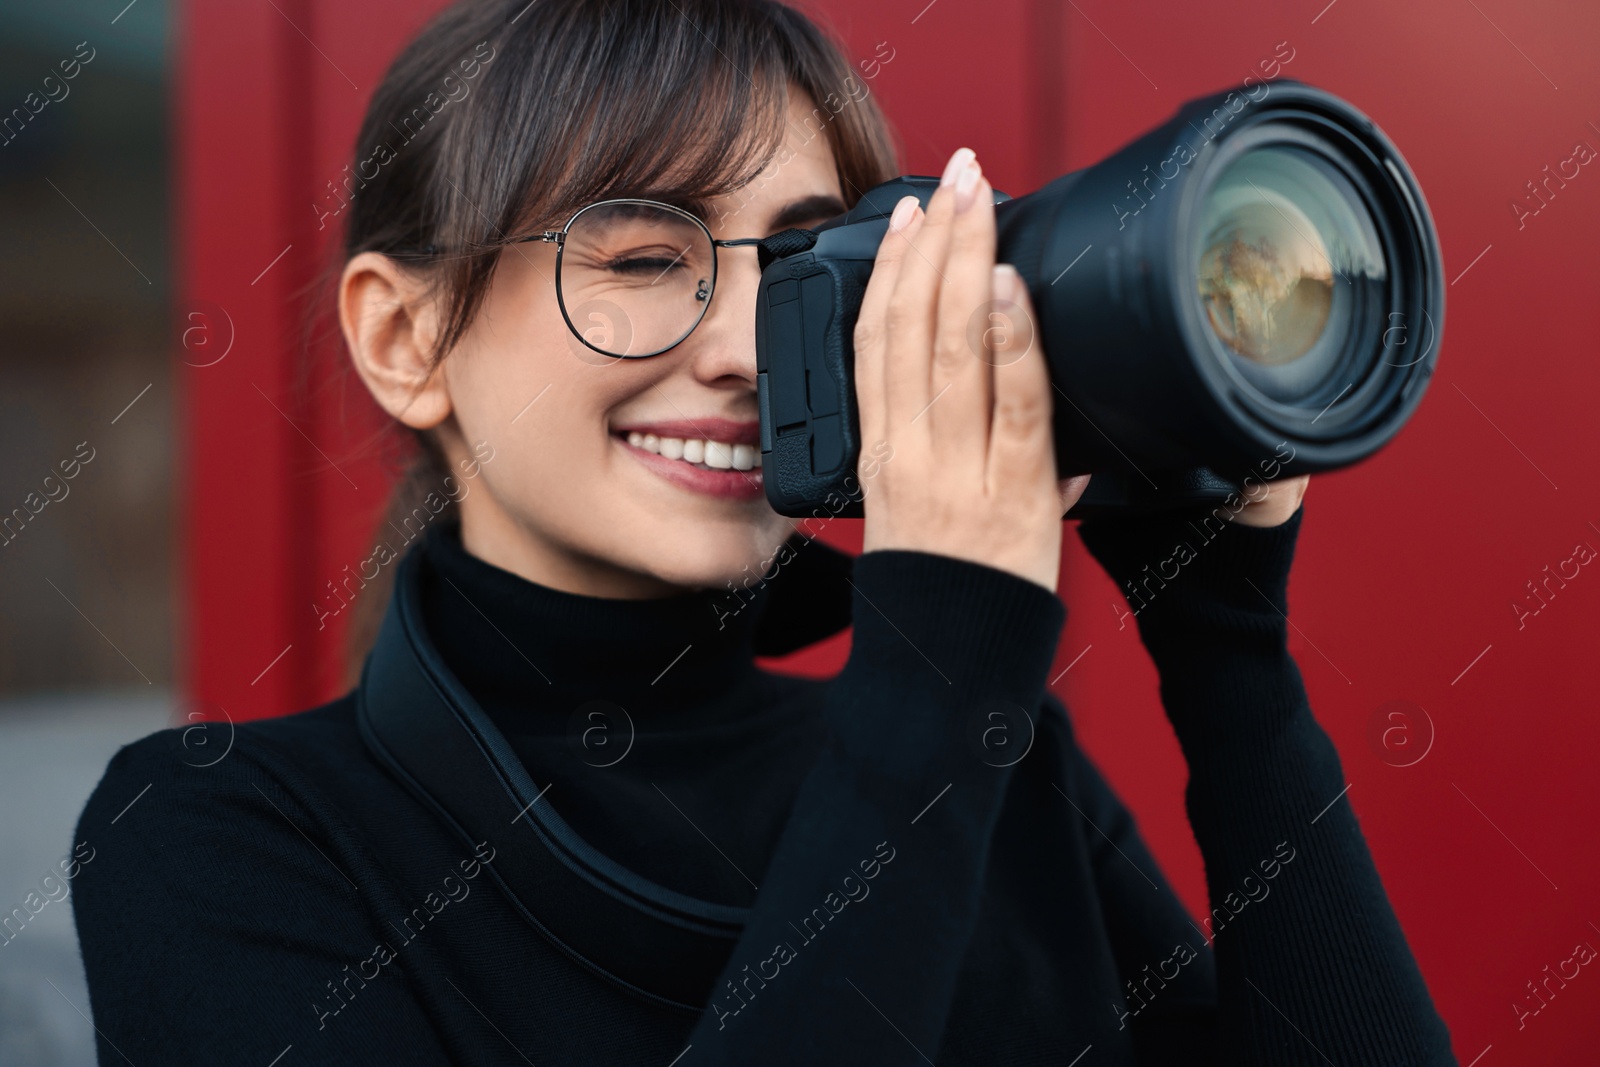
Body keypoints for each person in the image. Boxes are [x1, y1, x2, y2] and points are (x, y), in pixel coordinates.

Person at [70, 0, 1458, 1063]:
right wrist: (940, 667)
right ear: (405, 335)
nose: (743, 347)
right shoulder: (218, 838)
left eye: (800, 269)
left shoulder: (1001, 763)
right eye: (641, 258)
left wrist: (1226, 649)